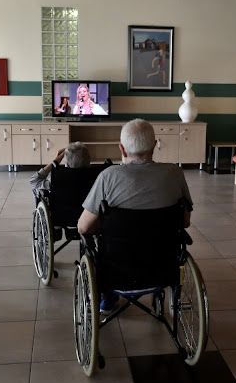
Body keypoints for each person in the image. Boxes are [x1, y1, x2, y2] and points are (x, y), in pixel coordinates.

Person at [78, 119, 192, 312]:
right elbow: (185, 222)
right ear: (155, 146)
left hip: (117, 271)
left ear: (122, 149)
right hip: (163, 267)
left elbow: (83, 227)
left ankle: (108, 298)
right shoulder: (175, 173)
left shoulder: (108, 176)